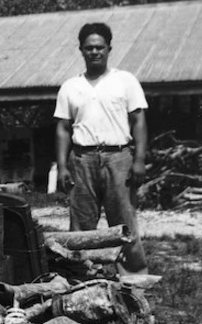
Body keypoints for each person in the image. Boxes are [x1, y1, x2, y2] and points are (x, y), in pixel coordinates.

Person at [54, 22, 149, 275]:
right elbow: (63, 128)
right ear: (81, 50)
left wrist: (139, 159)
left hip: (119, 157)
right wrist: (62, 167)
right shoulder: (70, 87)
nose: (95, 52)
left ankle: (134, 277)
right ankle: (82, 276)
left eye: (99, 47)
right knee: (81, 223)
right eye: (89, 48)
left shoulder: (125, 81)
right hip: (82, 159)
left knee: (124, 220)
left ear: (109, 49)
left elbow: (138, 121)